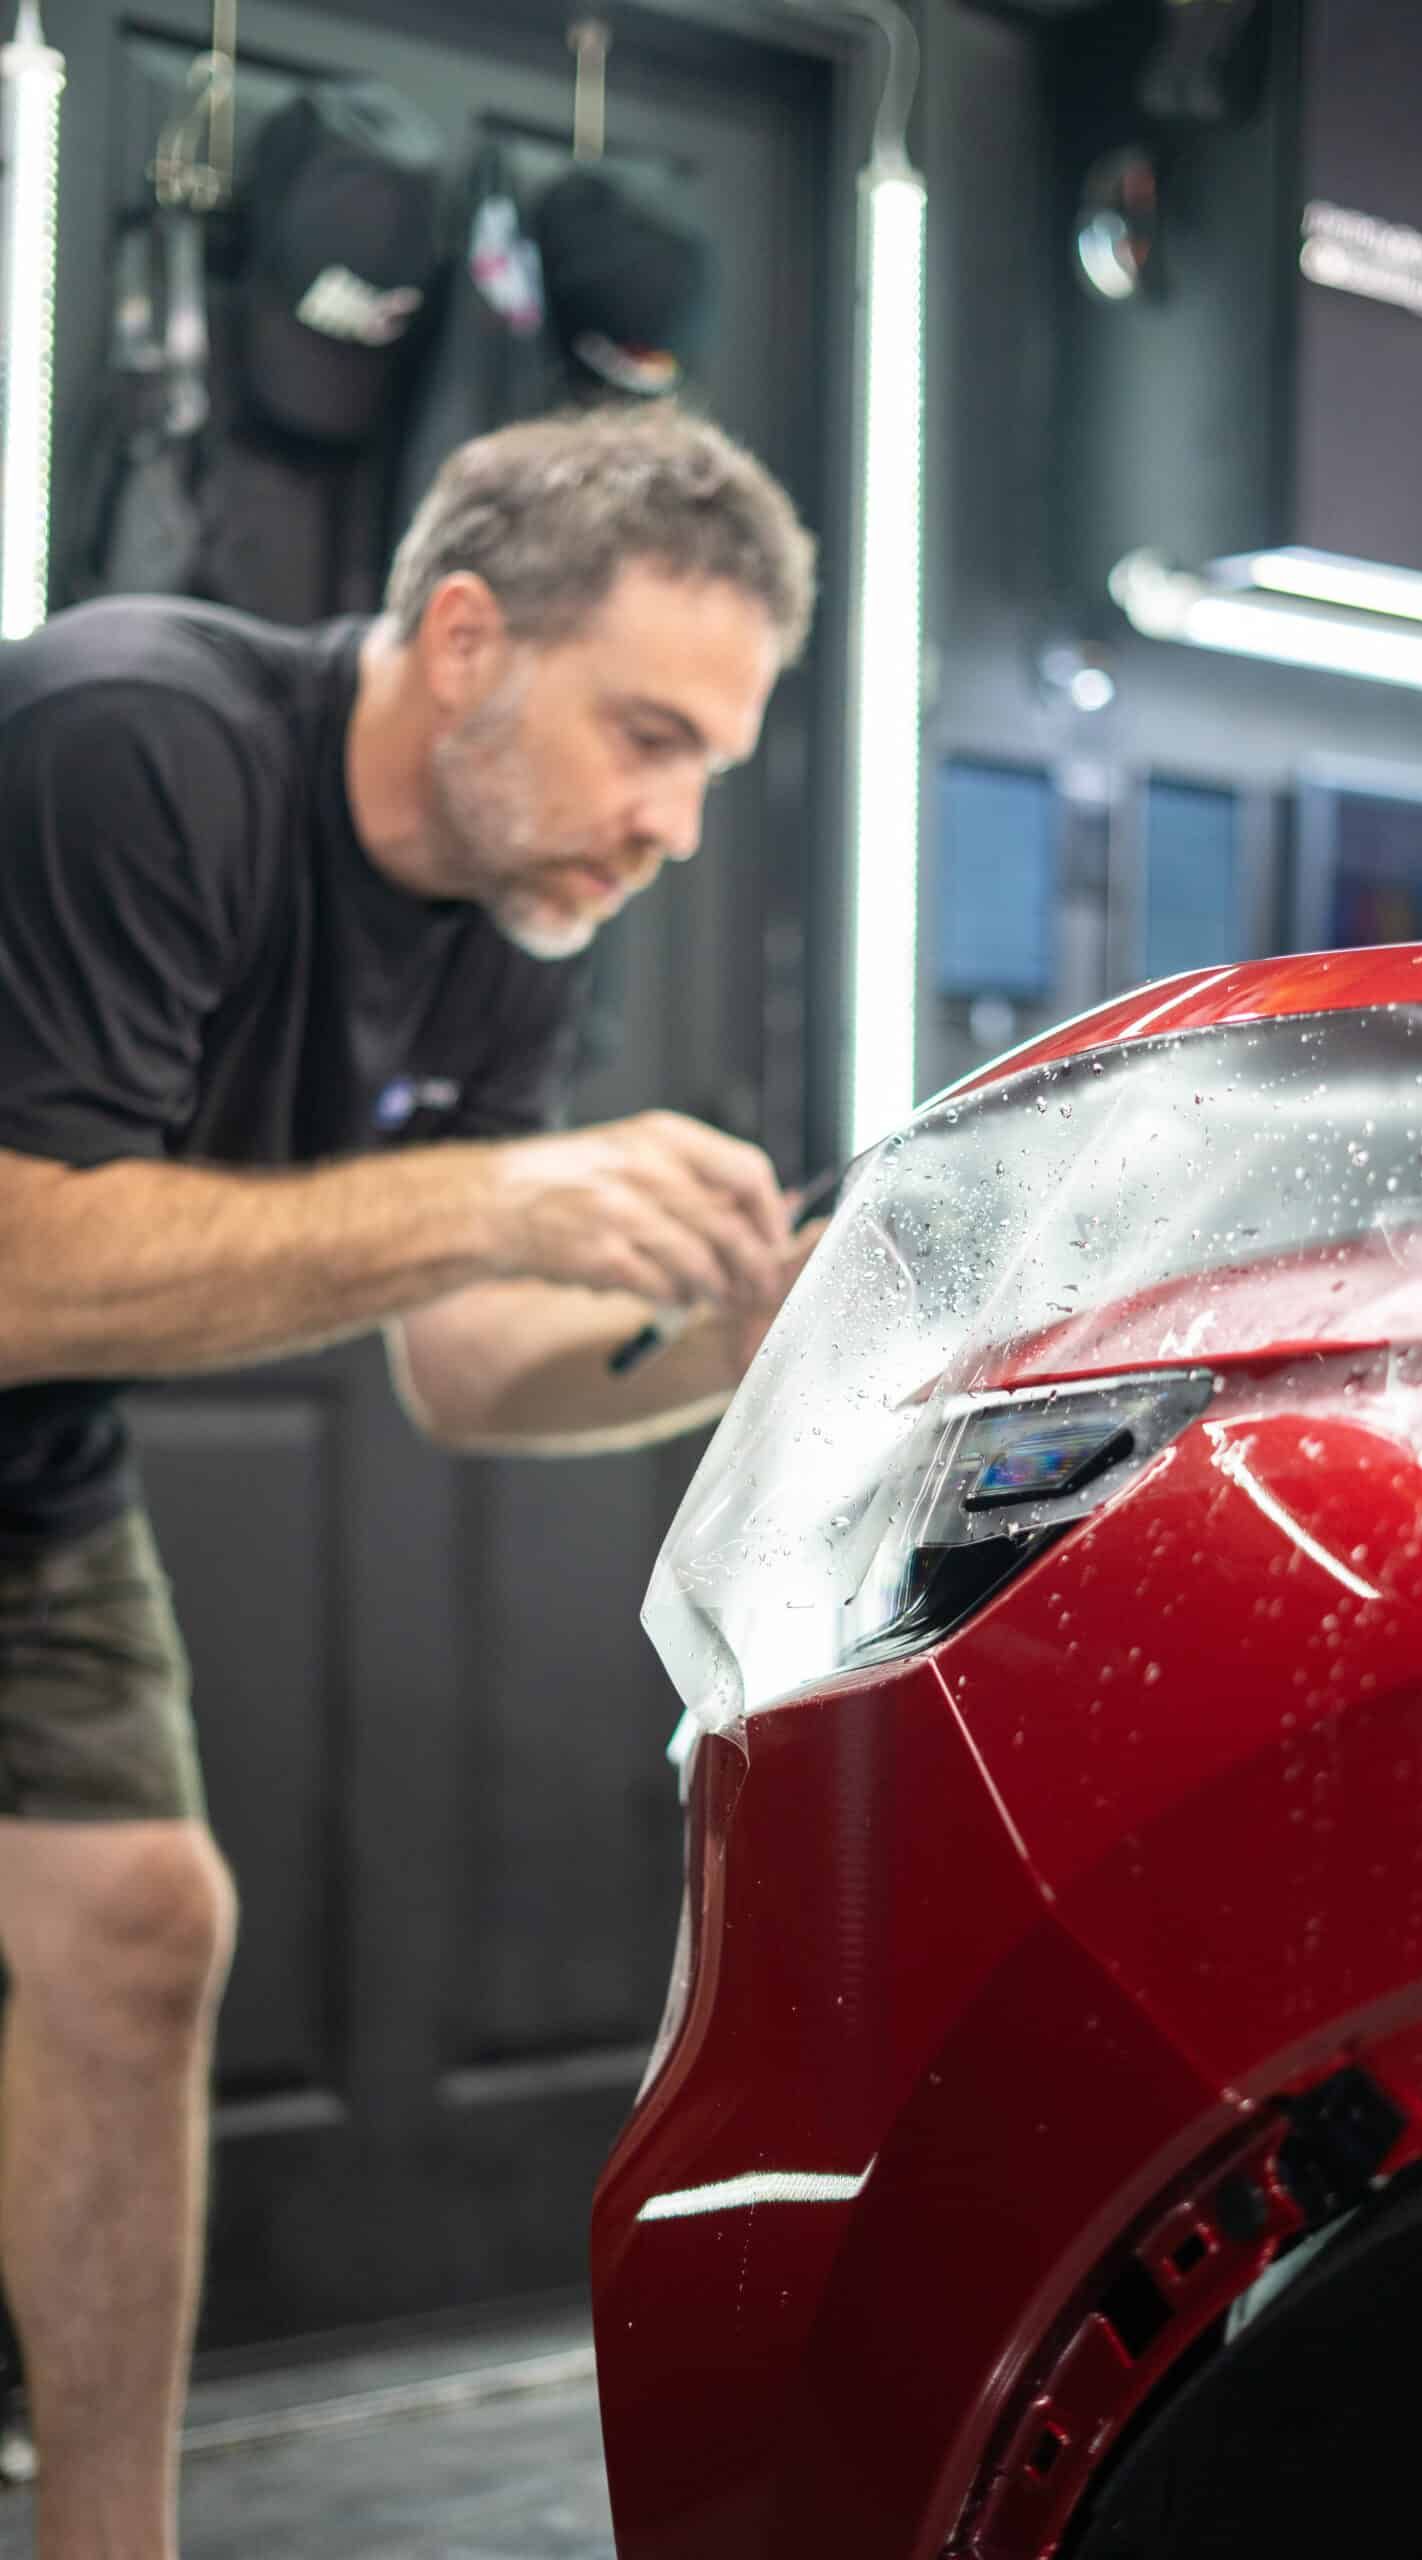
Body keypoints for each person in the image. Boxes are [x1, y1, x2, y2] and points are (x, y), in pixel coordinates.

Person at [0, 402, 818, 2560]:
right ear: (464, 637)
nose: (663, 824)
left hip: (25, 1445)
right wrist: (499, 1194)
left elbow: (468, 1372)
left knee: (136, 1921)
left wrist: (743, 1335)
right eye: (641, 734)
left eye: (704, 772)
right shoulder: (133, 740)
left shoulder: (510, 911)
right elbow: (17, 1258)